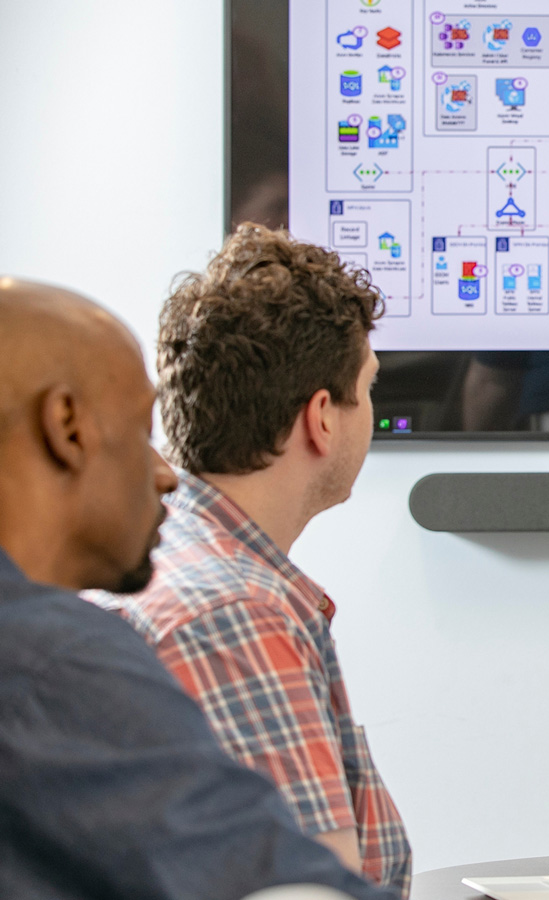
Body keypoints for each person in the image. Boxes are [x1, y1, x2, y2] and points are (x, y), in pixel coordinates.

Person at [0, 277, 394, 900]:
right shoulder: (215, 615)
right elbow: (300, 886)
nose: (164, 473)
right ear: (66, 426)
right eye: (138, 431)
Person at [87, 226, 414, 893]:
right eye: (369, 387)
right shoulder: (237, 614)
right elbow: (315, 889)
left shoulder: (162, 560)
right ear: (322, 417)